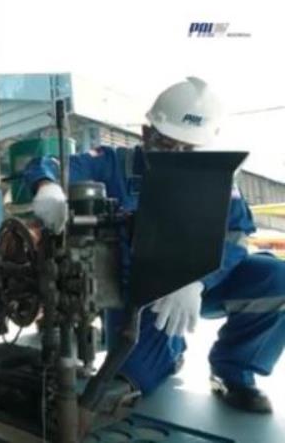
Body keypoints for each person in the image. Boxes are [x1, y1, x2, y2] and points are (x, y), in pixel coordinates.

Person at [26, 77, 285, 414]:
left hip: (199, 285)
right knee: (136, 376)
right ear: (147, 133)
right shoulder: (110, 163)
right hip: (139, 295)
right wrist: (48, 187)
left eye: (187, 148)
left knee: (277, 280)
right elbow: (48, 165)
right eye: (166, 143)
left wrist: (197, 279)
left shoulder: (217, 178)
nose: (176, 155)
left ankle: (233, 372)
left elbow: (235, 237)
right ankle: (167, 353)